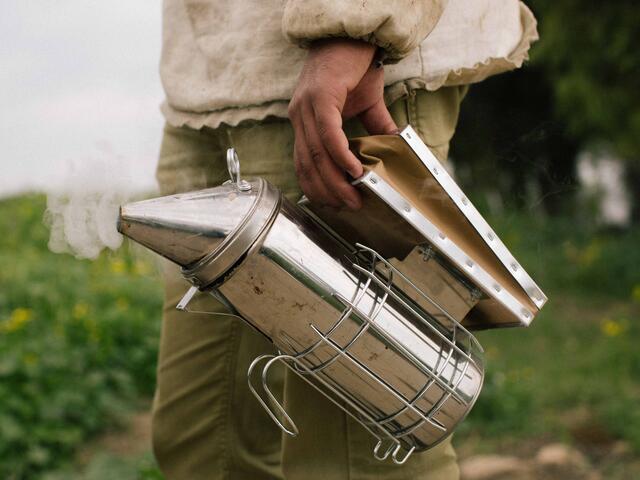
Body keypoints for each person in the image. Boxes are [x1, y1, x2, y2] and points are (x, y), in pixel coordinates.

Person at [152, 1, 538, 478]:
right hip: (211, 74)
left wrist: (355, 29)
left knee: (353, 458)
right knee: (205, 446)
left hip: (338, 68)